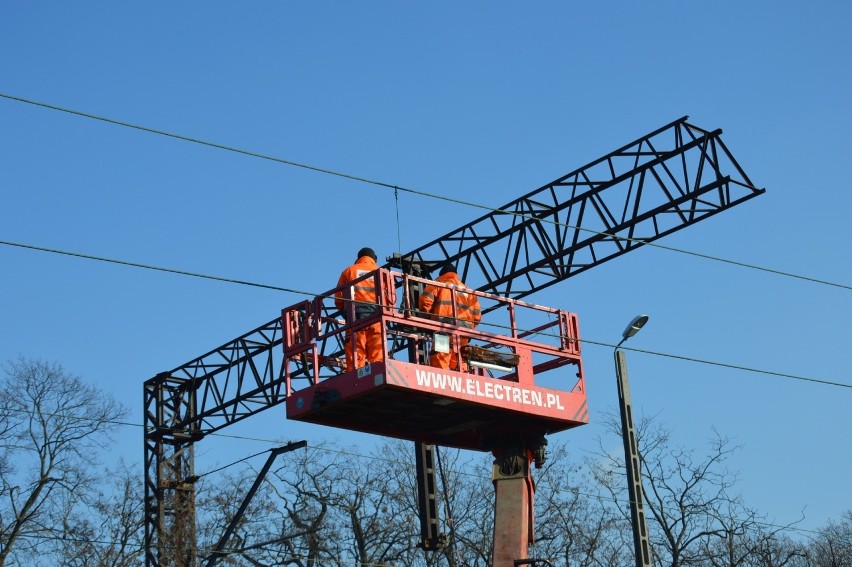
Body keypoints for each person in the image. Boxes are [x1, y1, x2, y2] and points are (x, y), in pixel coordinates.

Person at [418, 264, 481, 371]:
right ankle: (463, 376)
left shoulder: (437, 284)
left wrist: (427, 320)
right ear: (456, 274)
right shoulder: (469, 291)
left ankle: (440, 377)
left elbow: (425, 302)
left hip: (443, 327)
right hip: (465, 331)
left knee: (441, 355)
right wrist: (469, 326)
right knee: (460, 356)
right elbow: (477, 316)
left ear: (441, 274)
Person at [335, 247, 385, 372]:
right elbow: (389, 296)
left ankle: (355, 375)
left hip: (355, 316)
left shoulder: (349, 271)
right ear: (374, 259)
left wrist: (345, 312)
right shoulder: (381, 272)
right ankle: (378, 371)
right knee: (377, 350)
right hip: (376, 316)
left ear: (358, 258)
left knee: (356, 351)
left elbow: (338, 296)